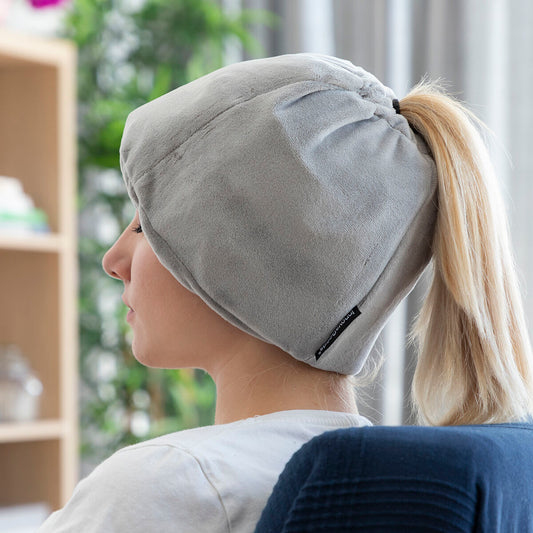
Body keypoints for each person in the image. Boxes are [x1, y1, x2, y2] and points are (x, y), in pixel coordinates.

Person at [38, 53, 533, 532]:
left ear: (236, 256)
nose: (113, 260)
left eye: (144, 226)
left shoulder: (170, 484)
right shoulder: (389, 485)